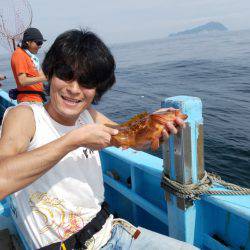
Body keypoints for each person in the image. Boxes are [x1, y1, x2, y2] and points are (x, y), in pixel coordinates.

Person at [0, 29, 197, 250]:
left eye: (86, 81)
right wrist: (73, 140)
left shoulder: (88, 116)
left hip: (110, 231)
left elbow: (126, 137)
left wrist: (154, 127)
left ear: (97, 89)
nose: (73, 89)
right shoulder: (26, 116)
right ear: (50, 74)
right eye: (65, 74)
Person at [10, 27, 47, 103]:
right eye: (38, 43)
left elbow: (37, 75)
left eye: (41, 43)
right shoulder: (19, 54)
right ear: (28, 42)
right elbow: (22, 81)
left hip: (36, 98)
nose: (40, 46)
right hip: (29, 100)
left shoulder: (29, 57)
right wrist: (44, 78)